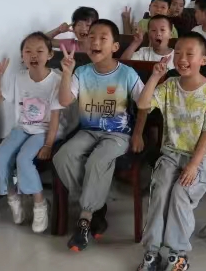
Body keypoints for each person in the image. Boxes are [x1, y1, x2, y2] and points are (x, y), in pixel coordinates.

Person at [136, 33, 206, 271]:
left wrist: (193, 165)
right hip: (172, 154)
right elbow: (143, 104)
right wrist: (155, 76)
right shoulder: (169, 85)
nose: (182, 59)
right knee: (160, 191)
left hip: (202, 157)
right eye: (177, 53)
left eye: (189, 54)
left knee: (180, 193)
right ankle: (152, 251)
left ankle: (177, 254)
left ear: (203, 60)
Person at [53, 20, 145, 252]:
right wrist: (66, 73)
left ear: (115, 46)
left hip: (118, 134)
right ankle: (95, 208)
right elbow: (64, 100)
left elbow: (145, 105)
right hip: (88, 131)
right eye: (91, 37)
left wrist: (138, 134)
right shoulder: (81, 72)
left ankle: (84, 219)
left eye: (102, 38)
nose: (95, 41)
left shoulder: (126, 73)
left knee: (97, 160)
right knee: (62, 156)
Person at [0, 32, 65, 233]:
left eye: (39, 51)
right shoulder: (19, 78)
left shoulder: (57, 80)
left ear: (50, 55)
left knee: (24, 159)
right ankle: (13, 198)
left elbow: (56, 118)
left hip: (45, 131)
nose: (33, 55)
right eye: (28, 51)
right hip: (23, 128)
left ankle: (40, 204)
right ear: (22, 56)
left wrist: (48, 144)